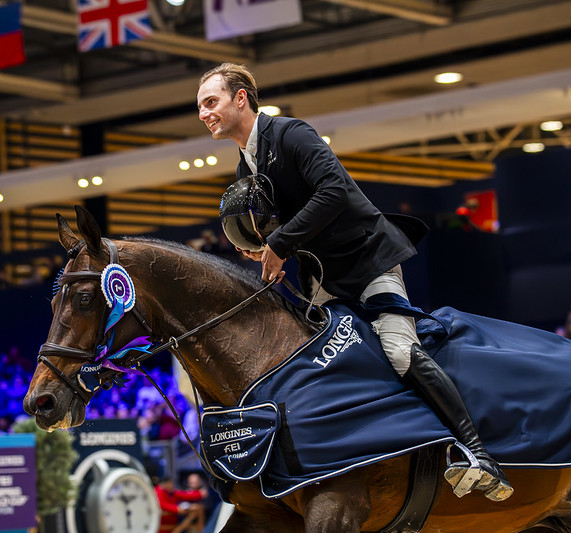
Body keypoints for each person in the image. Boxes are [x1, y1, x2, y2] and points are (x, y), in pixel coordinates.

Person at [197, 62, 512, 501]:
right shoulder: (245, 169)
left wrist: (282, 243)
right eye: (200, 107)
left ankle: (478, 453)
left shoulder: (291, 133)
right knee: (325, 362)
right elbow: (288, 225)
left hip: (368, 261)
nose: (204, 114)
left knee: (400, 350)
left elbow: (334, 191)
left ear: (241, 98)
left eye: (211, 102)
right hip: (324, 279)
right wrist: (262, 247)